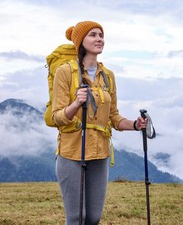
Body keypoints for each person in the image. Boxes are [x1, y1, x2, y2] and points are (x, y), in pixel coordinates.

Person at [52, 20, 147, 224]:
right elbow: (57, 117)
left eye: (101, 35)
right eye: (93, 35)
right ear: (80, 41)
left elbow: (113, 117)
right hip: (71, 152)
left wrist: (135, 124)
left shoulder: (108, 76)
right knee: (77, 217)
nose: (99, 39)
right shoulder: (65, 72)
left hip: (100, 152)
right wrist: (76, 104)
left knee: (93, 218)